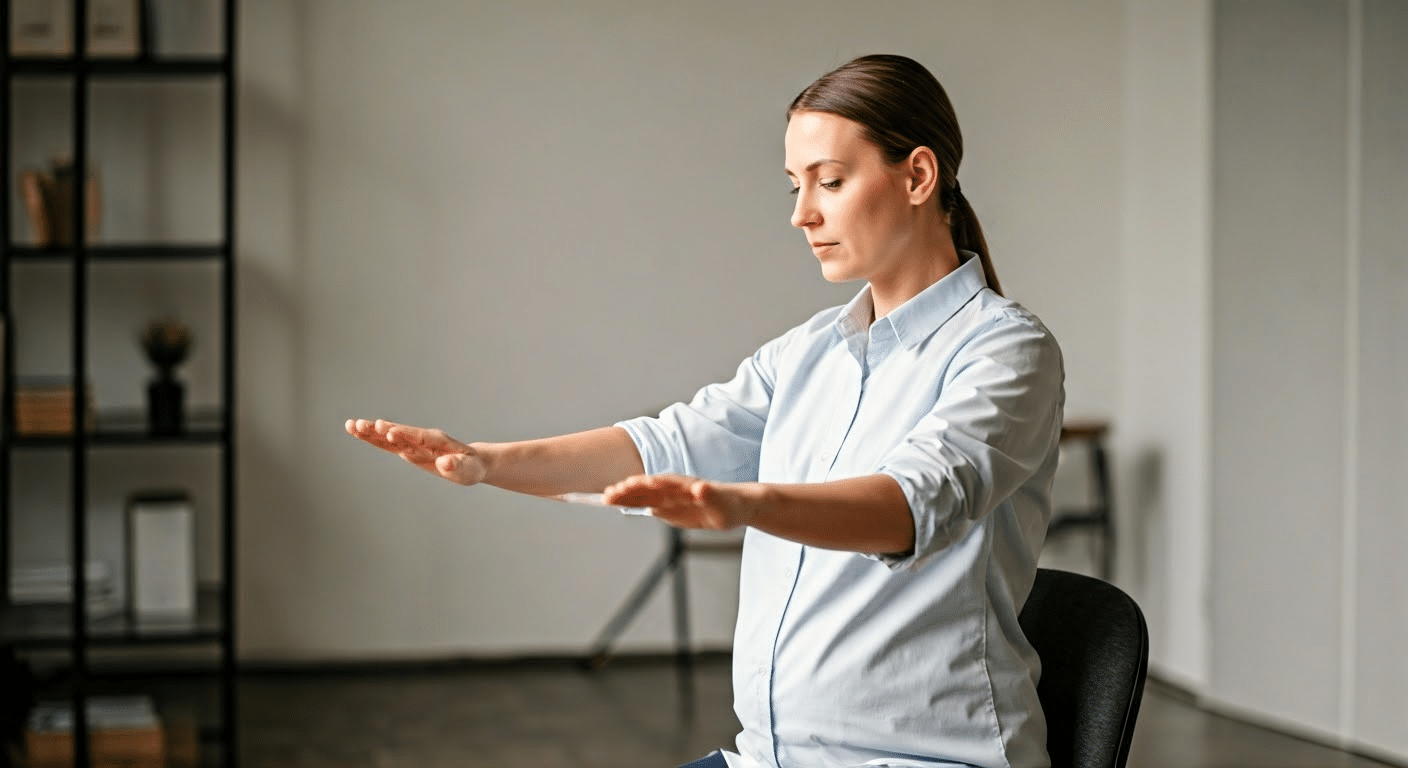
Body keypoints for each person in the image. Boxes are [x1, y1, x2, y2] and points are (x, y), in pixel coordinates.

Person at [347, 53, 1064, 768]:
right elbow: (667, 445)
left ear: (917, 176)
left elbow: (911, 505)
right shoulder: (808, 352)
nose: (801, 213)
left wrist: (742, 503)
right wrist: (484, 462)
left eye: (831, 181)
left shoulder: (1006, 352)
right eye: (794, 185)